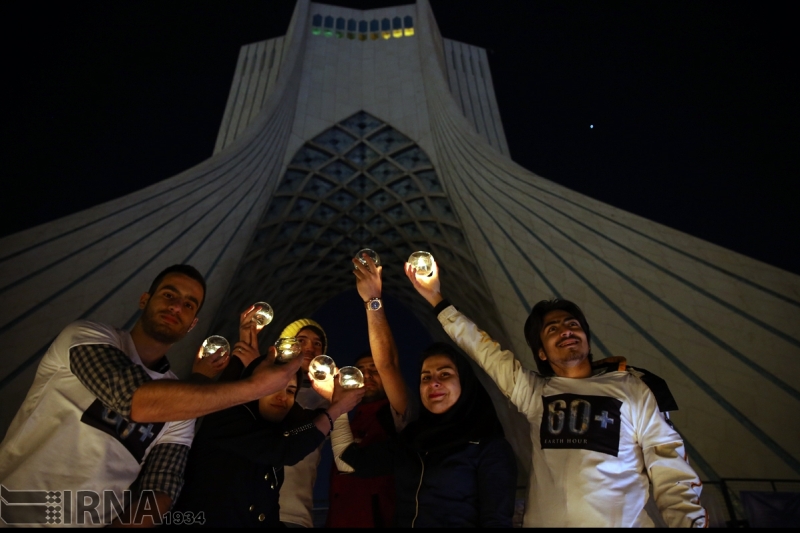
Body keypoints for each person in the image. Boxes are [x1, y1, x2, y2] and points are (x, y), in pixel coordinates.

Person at [404, 259, 708, 527]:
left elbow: (670, 467)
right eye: (552, 329)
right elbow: (485, 352)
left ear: (586, 339)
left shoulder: (634, 388)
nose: (565, 330)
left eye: (572, 324)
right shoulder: (537, 394)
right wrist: (436, 299)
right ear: (542, 353)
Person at [0, 265, 301, 527]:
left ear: (192, 324)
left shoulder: (182, 405)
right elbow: (134, 398)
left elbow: (161, 488)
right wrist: (256, 386)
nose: (177, 307)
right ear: (145, 299)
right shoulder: (87, 337)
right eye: (169, 295)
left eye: (189, 305)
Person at [174, 321, 365, 527]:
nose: (282, 396)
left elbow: (333, 448)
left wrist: (334, 403)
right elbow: (284, 449)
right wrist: (335, 409)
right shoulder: (227, 417)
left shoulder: (279, 423)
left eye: (291, 390)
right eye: (275, 386)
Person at [331, 341, 517, 527]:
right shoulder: (412, 440)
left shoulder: (487, 446)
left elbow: (497, 520)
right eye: (425, 378)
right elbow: (349, 463)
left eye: (445, 374)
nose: (434, 383)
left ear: (464, 382)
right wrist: (338, 405)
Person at [325, 254, 412, 528]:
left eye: (374, 369)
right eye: (362, 371)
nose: (370, 375)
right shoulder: (355, 418)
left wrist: (373, 301)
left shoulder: (397, 412)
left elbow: (388, 363)